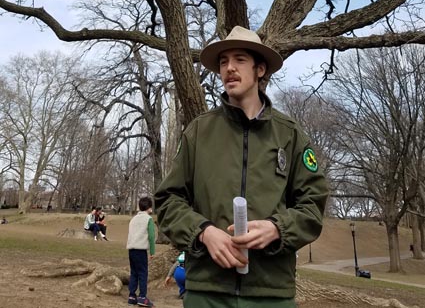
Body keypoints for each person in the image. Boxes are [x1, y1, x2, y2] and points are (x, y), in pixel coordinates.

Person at [155, 26, 328, 307]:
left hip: (271, 293)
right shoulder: (198, 132)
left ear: (260, 69)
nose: (229, 68)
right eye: (223, 62)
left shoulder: (290, 134)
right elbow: (167, 200)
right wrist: (203, 231)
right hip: (206, 291)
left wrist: (277, 228)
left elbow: (313, 207)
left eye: (239, 60)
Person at [126, 196, 156, 307]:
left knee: (134, 272)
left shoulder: (133, 219)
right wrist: (152, 251)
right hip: (141, 250)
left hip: (131, 249)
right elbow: (151, 236)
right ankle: (142, 297)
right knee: (143, 273)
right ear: (149, 208)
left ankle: (132, 295)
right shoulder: (148, 219)